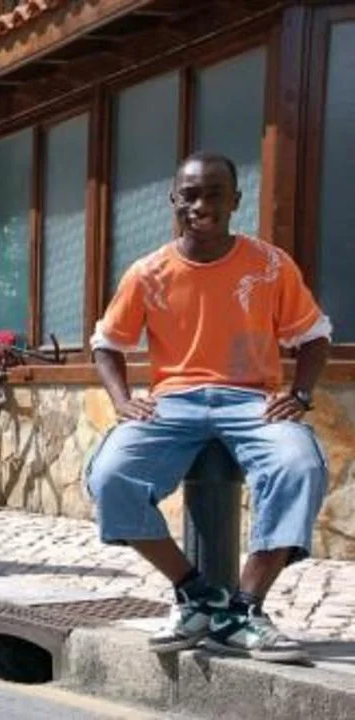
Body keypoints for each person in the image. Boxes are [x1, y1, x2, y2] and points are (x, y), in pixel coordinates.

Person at [86, 152, 332, 663]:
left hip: (252, 401)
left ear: (235, 201)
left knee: (299, 465)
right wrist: (122, 400)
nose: (201, 205)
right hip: (173, 403)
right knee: (110, 476)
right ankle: (197, 594)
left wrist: (301, 394)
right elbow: (106, 343)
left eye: (215, 194)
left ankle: (244, 609)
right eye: (190, 195)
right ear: (174, 200)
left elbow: (314, 335)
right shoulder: (148, 272)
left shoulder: (269, 265)